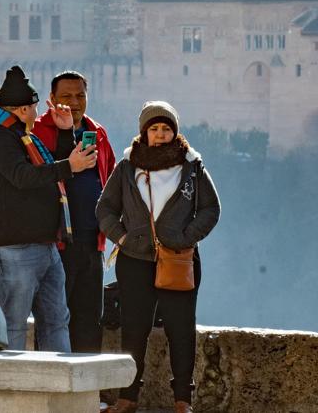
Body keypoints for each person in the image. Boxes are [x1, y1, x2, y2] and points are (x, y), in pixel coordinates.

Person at [96, 101, 220, 413]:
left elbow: (211, 209)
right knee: (134, 329)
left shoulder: (192, 166)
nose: (161, 135)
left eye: (166, 129)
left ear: (175, 132)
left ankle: (182, 400)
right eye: (155, 129)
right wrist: (123, 238)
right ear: (145, 132)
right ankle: (128, 398)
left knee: (181, 330)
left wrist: (184, 238)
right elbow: (105, 209)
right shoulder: (127, 166)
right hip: (135, 260)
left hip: (179, 260)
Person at [0, 65, 98, 352]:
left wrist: (66, 133)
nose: (35, 113)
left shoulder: (21, 136)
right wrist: (71, 166)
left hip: (43, 244)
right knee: (14, 321)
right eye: (32, 107)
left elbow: (48, 166)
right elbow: (23, 176)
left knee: (56, 319)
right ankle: (12, 389)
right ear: (20, 109)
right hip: (12, 245)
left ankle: (57, 383)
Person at [33, 71, 118, 354]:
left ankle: (86, 388)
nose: (74, 102)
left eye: (80, 95)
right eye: (66, 96)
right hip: (56, 242)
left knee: (90, 317)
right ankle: (51, 384)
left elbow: (111, 179)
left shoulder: (99, 133)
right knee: (55, 317)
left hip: (93, 241)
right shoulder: (39, 132)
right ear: (52, 99)